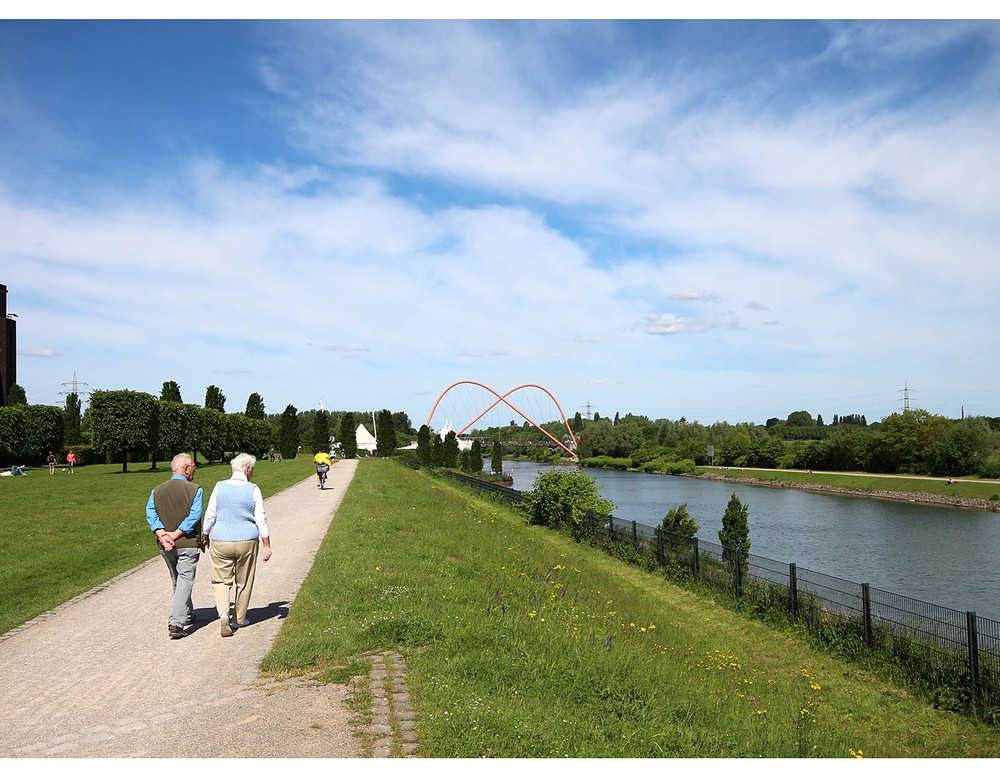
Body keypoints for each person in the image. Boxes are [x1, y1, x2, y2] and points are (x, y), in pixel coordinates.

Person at [201, 453, 272, 638]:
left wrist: (205, 534)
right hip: (246, 541)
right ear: (247, 469)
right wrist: (266, 544)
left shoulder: (219, 486)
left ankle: (224, 613)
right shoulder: (253, 489)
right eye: (252, 469)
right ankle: (239, 618)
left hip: (221, 539)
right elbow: (260, 518)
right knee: (244, 580)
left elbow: (210, 514)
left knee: (221, 580)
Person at [145, 453, 204, 639]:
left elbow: (150, 514)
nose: (194, 469)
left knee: (178, 580)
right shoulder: (195, 489)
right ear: (186, 468)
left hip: (166, 546)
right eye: (193, 466)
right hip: (187, 543)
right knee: (185, 580)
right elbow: (193, 517)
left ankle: (186, 614)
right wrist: (176, 534)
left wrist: (162, 535)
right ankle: (176, 623)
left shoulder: (157, 490)